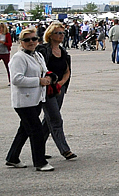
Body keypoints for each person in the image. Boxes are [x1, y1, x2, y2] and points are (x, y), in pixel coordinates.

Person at [5, 27, 55, 171]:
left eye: (34, 39)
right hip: (24, 101)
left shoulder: (37, 55)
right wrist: (38, 81)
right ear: (21, 42)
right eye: (27, 40)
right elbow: (16, 79)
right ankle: (40, 162)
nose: (31, 42)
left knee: (24, 130)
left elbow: (44, 70)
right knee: (36, 130)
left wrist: (50, 76)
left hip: (36, 99)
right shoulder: (18, 58)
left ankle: (12, 157)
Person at [36, 22, 77, 161]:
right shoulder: (43, 50)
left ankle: (37, 149)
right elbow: (38, 69)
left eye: (63, 33)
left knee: (48, 122)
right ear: (50, 35)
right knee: (55, 119)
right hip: (46, 89)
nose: (61, 36)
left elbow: (67, 71)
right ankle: (65, 150)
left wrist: (60, 84)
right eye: (58, 33)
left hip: (59, 89)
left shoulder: (63, 51)